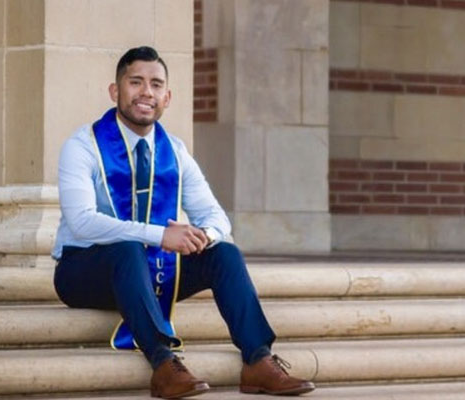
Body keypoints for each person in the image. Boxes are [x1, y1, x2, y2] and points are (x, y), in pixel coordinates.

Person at [52, 46, 314, 398]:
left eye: (156, 85)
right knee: (127, 250)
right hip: (83, 272)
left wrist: (202, 236)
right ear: (116, 91)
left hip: (152, 271)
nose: (147, 92)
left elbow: (217, 217)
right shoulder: (82, 146)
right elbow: (82, 222)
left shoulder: (174, 151)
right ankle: (163, 363)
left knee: (225, 254)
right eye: (136, 82)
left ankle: (257, 361)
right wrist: (160, 236)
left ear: (167, 97)